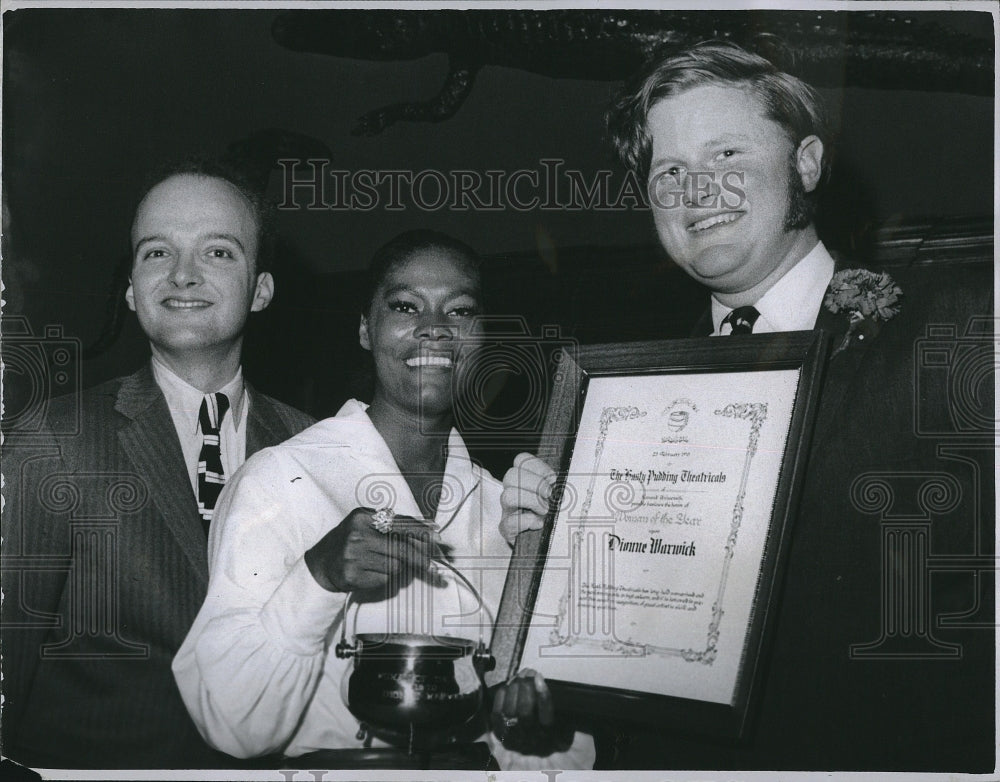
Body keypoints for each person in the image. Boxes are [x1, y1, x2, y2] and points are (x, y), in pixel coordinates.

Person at [502, 41, 993, 771]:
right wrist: (547, 565)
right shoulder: (626, 404)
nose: (698, 192)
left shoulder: (952, 331)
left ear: (807, 163)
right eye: (671, 172)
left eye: (727, 154)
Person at [172, 230, 595, 770]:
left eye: (460, 310)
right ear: (366, 330)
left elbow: (549, 747)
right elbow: (229, 726)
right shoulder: (280, 479)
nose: (435, 328)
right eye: (404, 306)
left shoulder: (504, 511)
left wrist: (532, 726)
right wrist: (319, 576)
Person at [1, 159, 315, 768]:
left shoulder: (312, 447)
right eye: (156, 253)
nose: (183, 275)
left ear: (262, 289)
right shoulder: (55, 439)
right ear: (130, 289)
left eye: (218, 252)